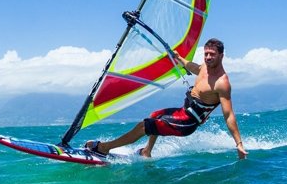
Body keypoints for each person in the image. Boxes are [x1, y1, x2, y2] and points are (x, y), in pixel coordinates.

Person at [85, 38, 248, 159]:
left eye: (212, 54)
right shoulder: (205, 67)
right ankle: (147, 151)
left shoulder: (222, 82)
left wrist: (239, 144)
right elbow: (193, 67)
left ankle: (104, 148)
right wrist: (178, 58)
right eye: (206, 54)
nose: (208, 57)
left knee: (145, 126)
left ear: (221, 55)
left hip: (187, 122)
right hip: (183, 111)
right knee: (155, 114)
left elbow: (229, 115)